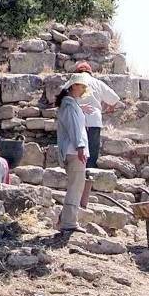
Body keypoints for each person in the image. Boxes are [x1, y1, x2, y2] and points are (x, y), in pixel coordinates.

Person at [55, 73, 90, 234]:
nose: (83, 89)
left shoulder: (69, 104)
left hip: (73, 150)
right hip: (74, 151)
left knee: (76, 186)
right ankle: (69, 222)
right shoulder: (69, 105)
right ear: (73, 86)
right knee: (76, 187)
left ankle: (65, 219)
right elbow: (74, 127)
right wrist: (80, 146)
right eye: (81, 86)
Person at [74, 61, 120, 169]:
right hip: (94, 120)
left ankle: (77, 173)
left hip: (77, 120)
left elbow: (62, 99)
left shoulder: (73, 82)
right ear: (90, 72)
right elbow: (114, 99)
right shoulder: (97, 83)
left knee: (76, 150)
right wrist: (110, 108)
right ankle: (90, 173)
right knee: (92, 149)